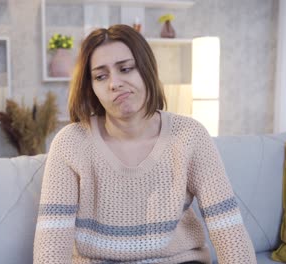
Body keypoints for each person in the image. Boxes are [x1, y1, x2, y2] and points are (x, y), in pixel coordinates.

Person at [34, 24, 256, 264]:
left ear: (147, 70)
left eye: (126, 69)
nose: (114, 83)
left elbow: (228, 228)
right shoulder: (71, 143)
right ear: (91, 88)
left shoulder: (190, 136)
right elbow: (52, 245)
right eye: (101, 76)